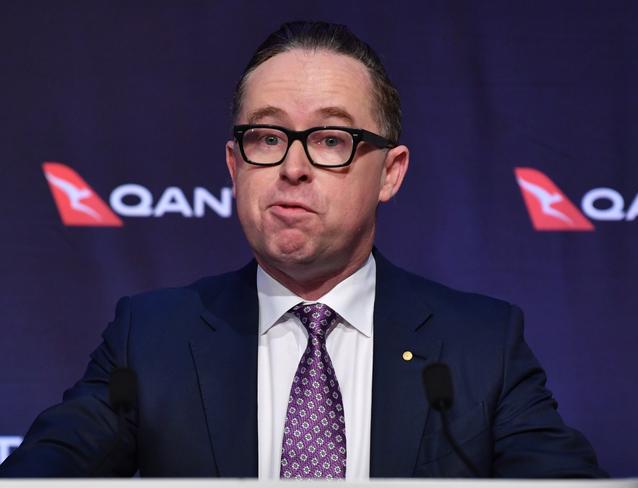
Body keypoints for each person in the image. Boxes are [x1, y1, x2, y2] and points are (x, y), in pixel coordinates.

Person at [0, 21, 606, 479]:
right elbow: (43, 475)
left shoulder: (479, 344)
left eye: (330, 139)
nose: (292, 167)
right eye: (267, 137)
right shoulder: (152, 337)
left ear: (391, 173)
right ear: (235, 165)